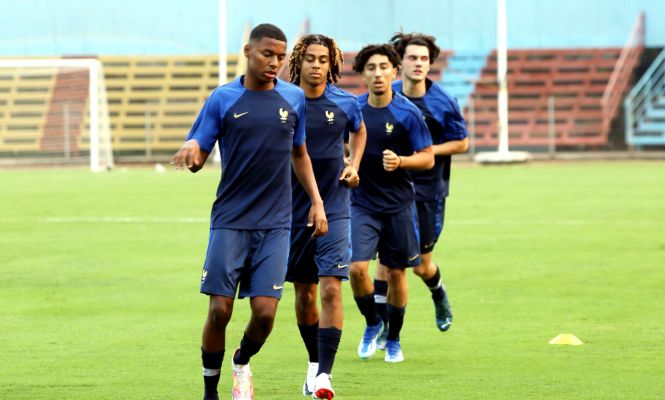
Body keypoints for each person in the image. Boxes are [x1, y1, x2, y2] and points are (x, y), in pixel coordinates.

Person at [172, 23, 327, 400]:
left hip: (276, 225)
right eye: (267, 54)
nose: (275, 62)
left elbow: (299, 153)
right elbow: (200, 146)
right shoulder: (223, 98)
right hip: (230, 221)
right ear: (248, 51)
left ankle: (242, 362)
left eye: (280, 56)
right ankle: (211, 390)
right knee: (219, 311)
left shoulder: (293, 99)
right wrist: (193, 154)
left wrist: (318, 201)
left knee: (264, 315)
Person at [373, 33, 469, 344]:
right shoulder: (387, 95)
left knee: (420, 266)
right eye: (413, 58)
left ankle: (438, 293)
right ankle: (383, 326)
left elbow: (462, 142)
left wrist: (425, 153)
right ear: (400, 62)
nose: (419, 64)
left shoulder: (443, 101)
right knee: (386, 262)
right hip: (390, 189)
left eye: (424, 59)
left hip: (429, 192)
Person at [286, 33, 366, 400]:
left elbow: (359, 131)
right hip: (290, 209)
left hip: (335, 205)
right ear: (298, 62)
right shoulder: (283, 101)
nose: (316, 65)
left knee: (333, 286)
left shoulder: (346, 104)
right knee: (305, 294)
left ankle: (324, 376)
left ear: (331, 64)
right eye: (310, 59)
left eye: (323, 60)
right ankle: (313, 363)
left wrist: (354, 163)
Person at [349, 44, 434, 364]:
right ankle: (373, 323)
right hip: (362, 205)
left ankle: (394, 339)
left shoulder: (408, 113)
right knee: (357, 270)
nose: (378, 73)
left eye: (384, 66)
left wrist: (401, 162)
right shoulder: (354, 109)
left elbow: (427, 158)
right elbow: (344, 146)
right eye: (371, 67)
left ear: (393, 72)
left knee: (398, 275)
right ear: (363, 74)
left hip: (399, 205)